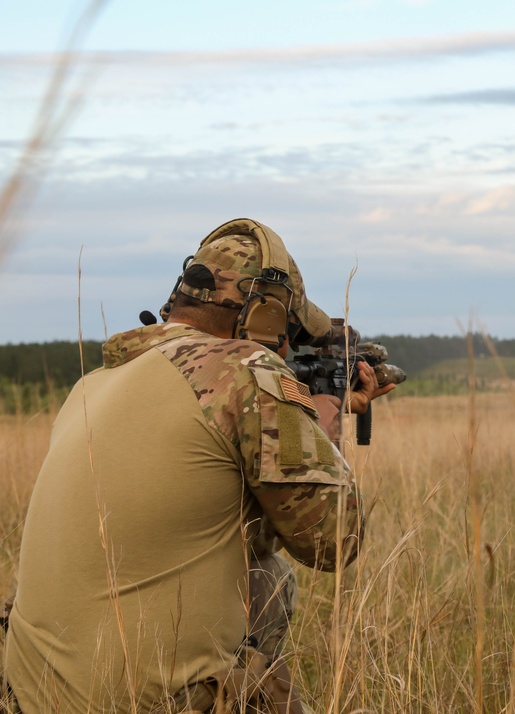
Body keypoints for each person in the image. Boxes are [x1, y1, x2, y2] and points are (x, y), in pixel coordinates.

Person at [1, 218, 393, 713]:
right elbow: (335, 540)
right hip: (134, 703)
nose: (289, 349)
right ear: (264, 315)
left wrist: (304, 417)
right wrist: (322, 430)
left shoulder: (93, 385)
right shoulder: (248, 370)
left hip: (32, 694)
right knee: (275, 583)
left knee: (262, 576)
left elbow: (198, 514)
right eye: (290, 332)